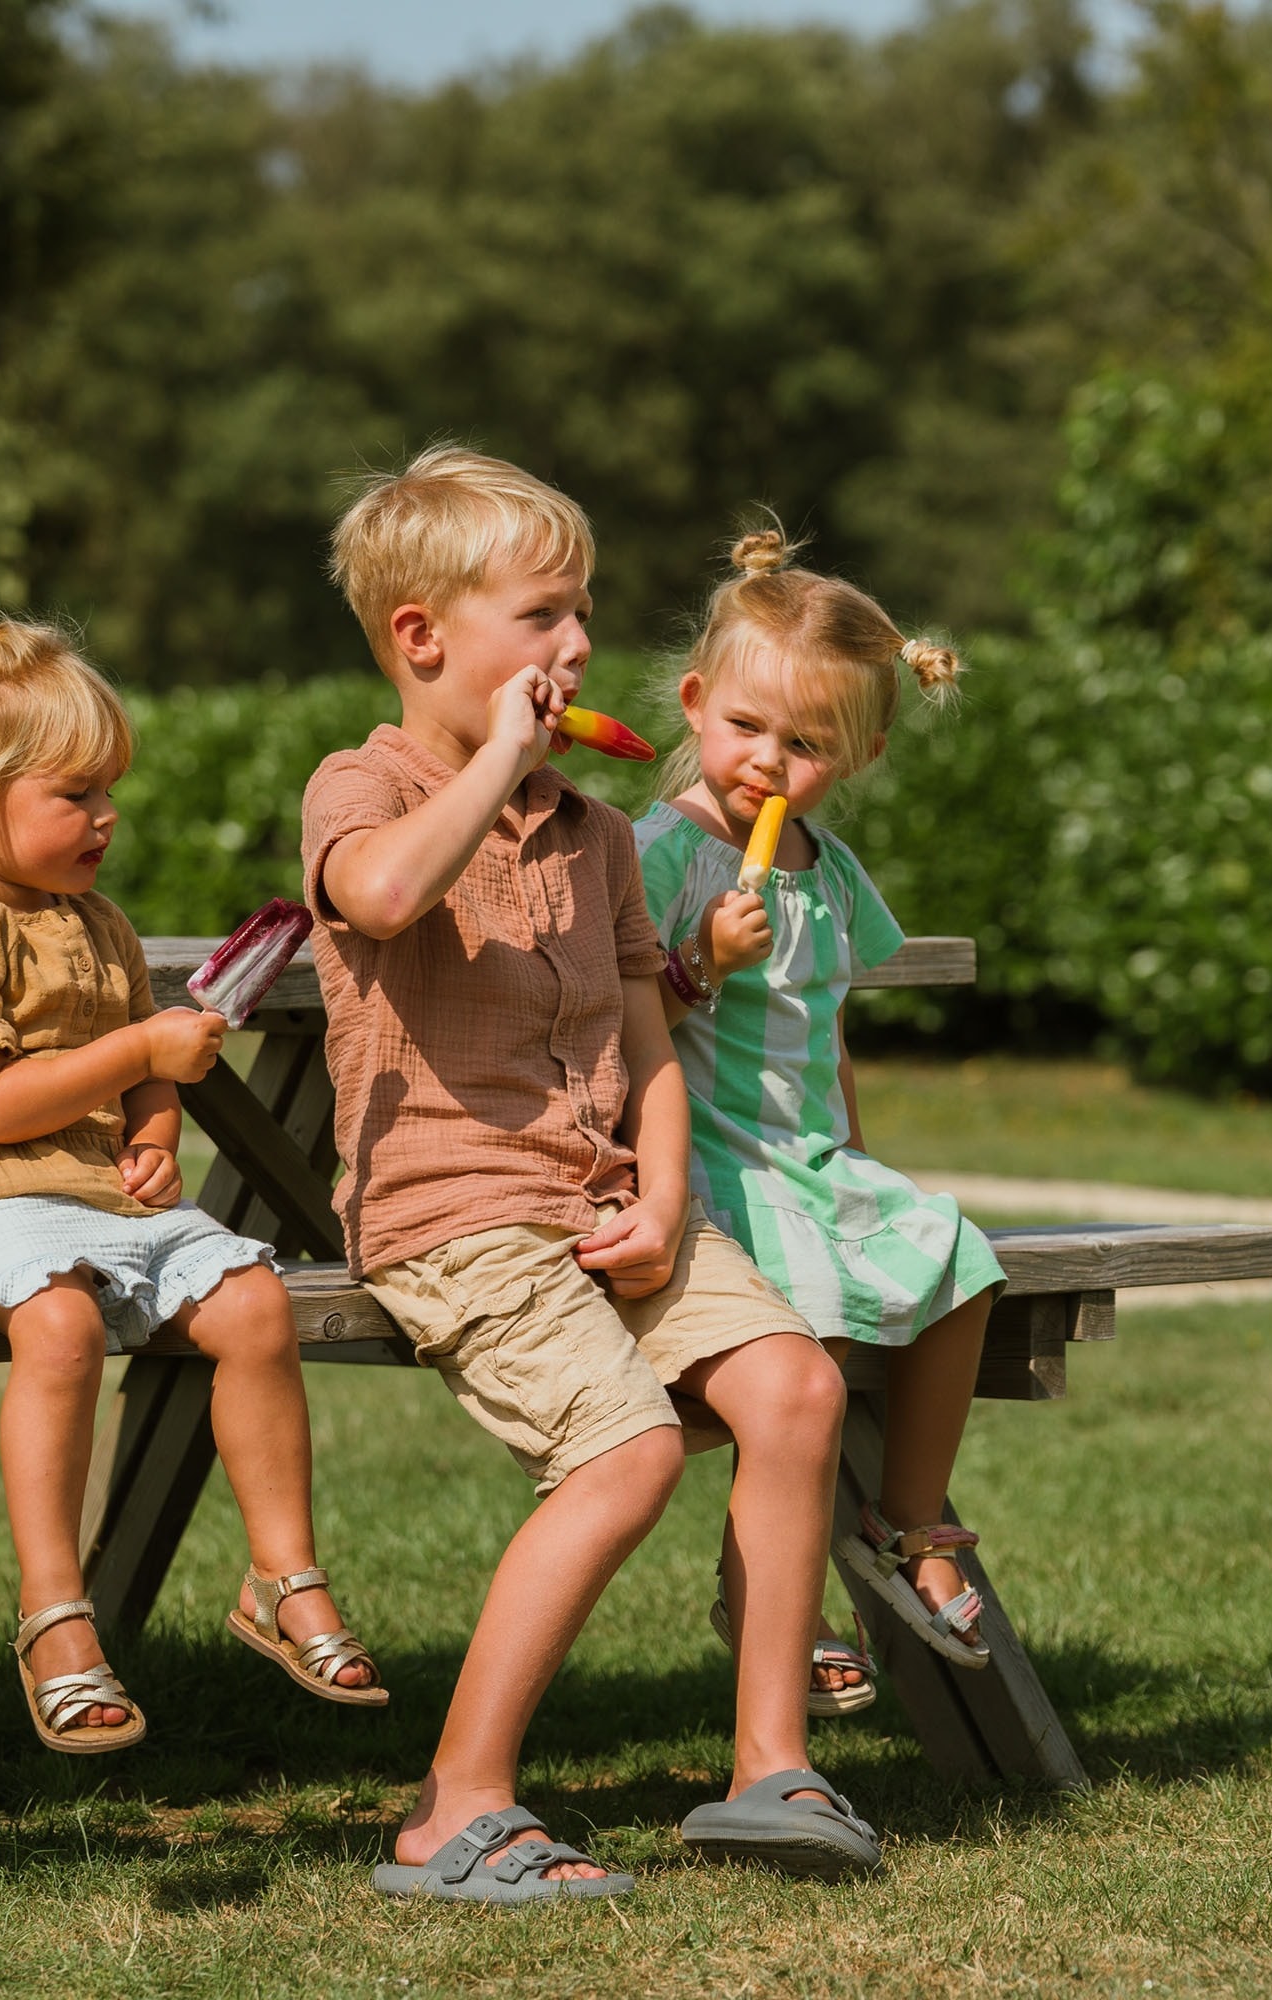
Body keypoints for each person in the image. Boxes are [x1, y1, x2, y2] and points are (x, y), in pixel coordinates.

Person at [308, 448, 879, 1902]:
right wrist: (496, 756)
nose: (576, 647)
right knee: (623, 1453)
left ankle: (768, 1766)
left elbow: (652, 1036)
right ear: (422, 639)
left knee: (795, 1386)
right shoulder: (359, 785)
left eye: (585, 615)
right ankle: (456, 1809)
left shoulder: (602, 836)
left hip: (606, 1198)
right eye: (544, 616)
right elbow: (379, 897)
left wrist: (667, 1195)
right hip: (454, 1214)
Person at [0, 593, 383, 1757]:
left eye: (106, 790)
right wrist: (141, 1053)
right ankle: (54, 1613)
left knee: (254, 1301)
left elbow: (128, 1055)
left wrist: (152, 1120)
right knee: (62, 1326)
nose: (107, 815)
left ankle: (283, 1576)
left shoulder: (99, 921)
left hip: (86, 1194)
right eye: (74, 794)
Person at [635, 525, 1006, 1709]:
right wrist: (699, 956)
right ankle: (765, 1609)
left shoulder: (831, 871)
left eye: (806, 745)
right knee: (815, 1352)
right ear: (696, 704)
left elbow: (830, 1025)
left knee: (962, 1254)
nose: (767, 762)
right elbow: (604, 1011)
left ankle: (912, 1519)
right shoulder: (658, 855)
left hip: (810, 1157)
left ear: (861, 753)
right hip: (707, 1161)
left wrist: (857, 1152)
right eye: (746, 727)